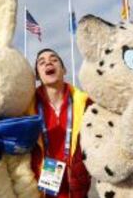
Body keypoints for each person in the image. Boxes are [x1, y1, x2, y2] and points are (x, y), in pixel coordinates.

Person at [30, 48, 91, 198]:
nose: (48, 62)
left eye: (54, 59)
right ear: (38, 75)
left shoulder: (85, 103)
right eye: (41, 62)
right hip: (40, 192)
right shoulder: (27, 106)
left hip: (77, 190)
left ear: (64, 70)